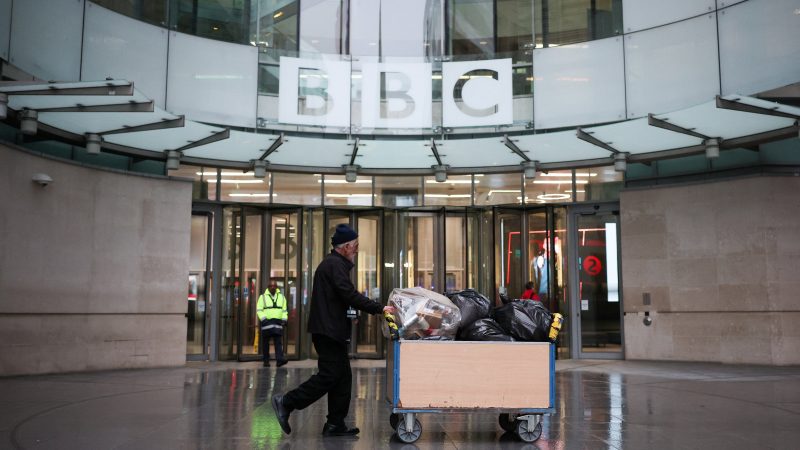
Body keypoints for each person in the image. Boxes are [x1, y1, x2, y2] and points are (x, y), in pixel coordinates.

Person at [271, 224, 395, 437]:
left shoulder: (335, 265)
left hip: (331, 329)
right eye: (355, 246)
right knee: (330, 375)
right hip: (328, 332)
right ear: (345, 247)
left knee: (343, 377)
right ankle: (287, 402)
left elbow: (338, 298)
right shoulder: (334, 265)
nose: (356, 249)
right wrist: (379, 308)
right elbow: (348, 294)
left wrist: (351, 315)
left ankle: (335, 424)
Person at [257, 280, 288, 368]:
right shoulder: (262, 297)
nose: (273, 287)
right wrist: (264, 320)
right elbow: (259, 310)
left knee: (278, 343)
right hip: (266, 323)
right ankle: (266, 361)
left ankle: (279, 360)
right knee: (265, 344)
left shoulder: (282, 297)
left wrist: (284, 320)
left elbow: (284, 310)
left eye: (274, 286)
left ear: (277, 287)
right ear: (268, 287)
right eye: (271, 286)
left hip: (278, 323)